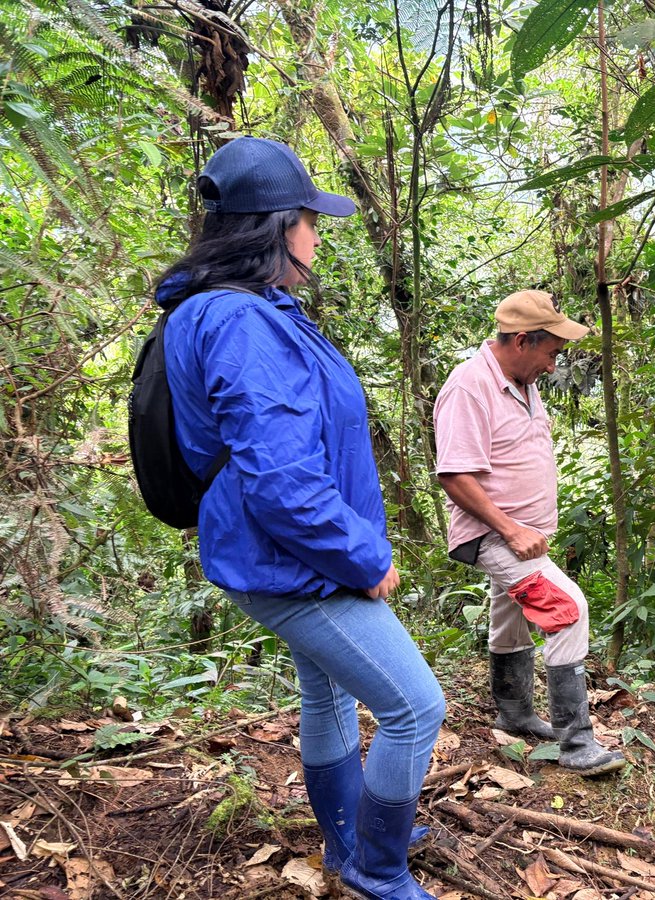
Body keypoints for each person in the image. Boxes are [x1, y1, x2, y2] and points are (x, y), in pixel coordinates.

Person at [154, 137, 444, 900]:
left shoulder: (229, 309)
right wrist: (364, 557)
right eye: (310, 219)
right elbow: (283, 483)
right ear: (276, 227)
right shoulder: (242, 323)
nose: (319, 234)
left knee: (327, 693)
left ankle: (351, 833)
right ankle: (375, 871)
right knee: (415, 707)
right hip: (291, 560)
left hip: (273, 553)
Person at [432, 290, 625, 777]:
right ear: (522, 340)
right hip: (495, 535)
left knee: (510, 615)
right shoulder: (469, 386)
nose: (553, 365)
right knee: (568, 608)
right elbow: (455, 475)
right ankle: (577, 743)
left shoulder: (520, 380)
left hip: (519, 534)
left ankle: (515, 712)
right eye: (551, 353)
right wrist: (510, 528)